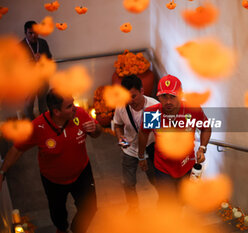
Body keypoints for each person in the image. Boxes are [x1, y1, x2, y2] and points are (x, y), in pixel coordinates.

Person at [0, 89, 102, 233]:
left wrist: (96, 128)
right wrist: (2, 171)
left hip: (82, 174)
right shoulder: (38, 127)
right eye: (69, 106)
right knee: (58, 213)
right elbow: (17, 149)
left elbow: (97, 134)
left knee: (90, 207)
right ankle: (61, 229)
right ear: (57, 112)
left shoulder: (80, 114)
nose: (75, 107)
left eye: (73, 103)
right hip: (53, 181)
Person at [138, 75, 212, 202]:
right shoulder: (152, 113)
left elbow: (206, 128)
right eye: (164, 96)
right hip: (163, 168)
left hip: (187, 166)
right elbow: (143, 133)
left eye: (173, 96)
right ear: (158, 97)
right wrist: (141, 156)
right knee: (167, 202)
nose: (168, 101)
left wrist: (202, 148)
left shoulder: (192, 109)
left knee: (183, 199)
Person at [113, 75, 158, 213]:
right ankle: (133, 208)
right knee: (128, 183)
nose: (130, 101)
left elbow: (147, 134)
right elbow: (118, 125)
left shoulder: (153, 107)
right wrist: (121, 138)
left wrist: (142, 157)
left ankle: (165, 204)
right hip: (130, 150)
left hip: (150, 149)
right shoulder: (121, 106)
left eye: (133, 96)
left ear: (142, 91)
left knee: (156, 180)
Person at [21, 20, 53, 120]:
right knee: (29, 105)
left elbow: (50, 58)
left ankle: (44, 124)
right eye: (30, 33)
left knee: (43, 104)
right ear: (25, 33)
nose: (34, 35)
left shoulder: (43, 43)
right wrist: (31, 60)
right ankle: (31, 126)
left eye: (36, 32)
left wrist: (42, 59)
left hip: (43, 78)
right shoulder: (21, 46)